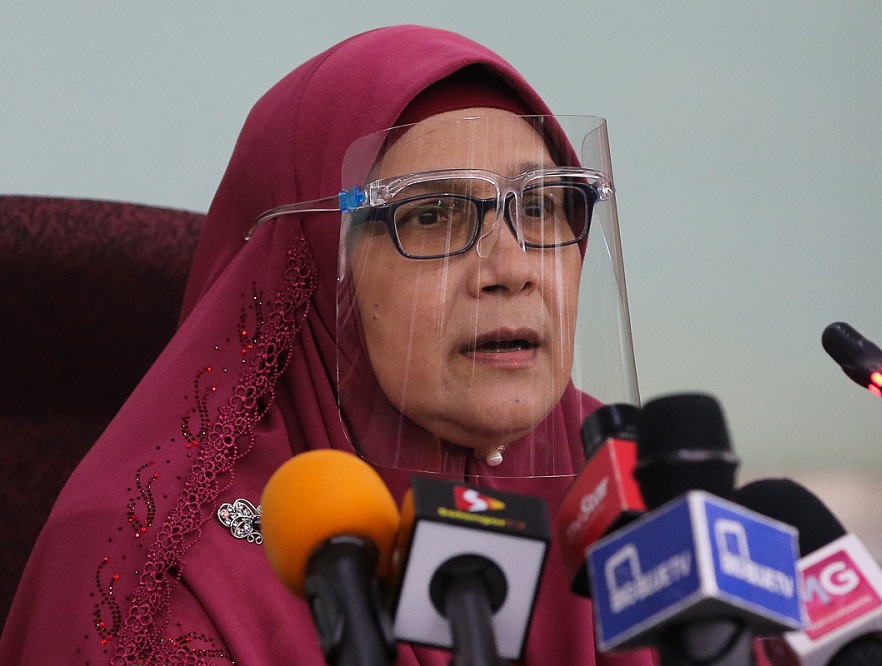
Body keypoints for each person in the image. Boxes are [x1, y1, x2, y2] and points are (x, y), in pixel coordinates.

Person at [0, 25, 650, 665]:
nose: (515, 267)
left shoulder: (642, 490)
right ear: (305, 266)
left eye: (542, 207)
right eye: (428, 216)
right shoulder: (151, 571)